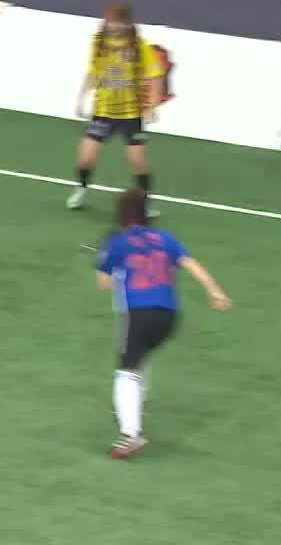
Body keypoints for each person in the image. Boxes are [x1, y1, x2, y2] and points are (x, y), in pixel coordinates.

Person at [95, 189, 231, 459]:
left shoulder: (117, 242)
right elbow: (192, 265)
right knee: (139, 357)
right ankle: (135, 406)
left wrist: (107, 259)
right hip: (168, 317)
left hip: (139, 313)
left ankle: (129, 434)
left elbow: (104, 283)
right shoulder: (165, 238)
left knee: (126, 371)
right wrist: (215, 291)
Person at [69, 2, 164, 212]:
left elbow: (155, 75)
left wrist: (152, 105)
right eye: (110, 22)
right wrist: (82, 97)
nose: (113, 26)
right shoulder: (98, 42)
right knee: (85, 158)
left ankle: (145, 201)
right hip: (103, 111)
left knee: (137, 161)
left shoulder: (139, 46)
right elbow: (93, 71)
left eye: (117, 23)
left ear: (126, 23)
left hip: (131, 114)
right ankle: (81, 188)